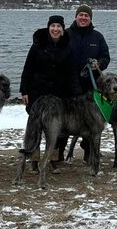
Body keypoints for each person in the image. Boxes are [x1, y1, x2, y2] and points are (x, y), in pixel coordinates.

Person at [19, 15, 82, 168]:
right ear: (48, 27)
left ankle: (53, 159)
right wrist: (24, 90)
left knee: (56, 128)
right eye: (53, 26)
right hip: (37, 92)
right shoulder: (37, 45)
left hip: (58, 93)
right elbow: (28, 69)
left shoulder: (68, 47)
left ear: (62, 29)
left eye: (58, 26)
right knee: (35, 126)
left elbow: (72, 73)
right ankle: (34, 159)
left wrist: (76, 95)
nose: (55, 29)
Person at [59, 4, 110, 161]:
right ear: (76, 16)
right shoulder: (66, 34)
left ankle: (89, 153)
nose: (83, 18)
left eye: (86, 16)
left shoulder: (98, 37)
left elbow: (106, 57)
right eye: (81, 15)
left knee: (92, 120)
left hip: (91, 86)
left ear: (90, 18)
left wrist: (99, 64)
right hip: (68, 84)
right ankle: (59, 154)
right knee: (65, 120)